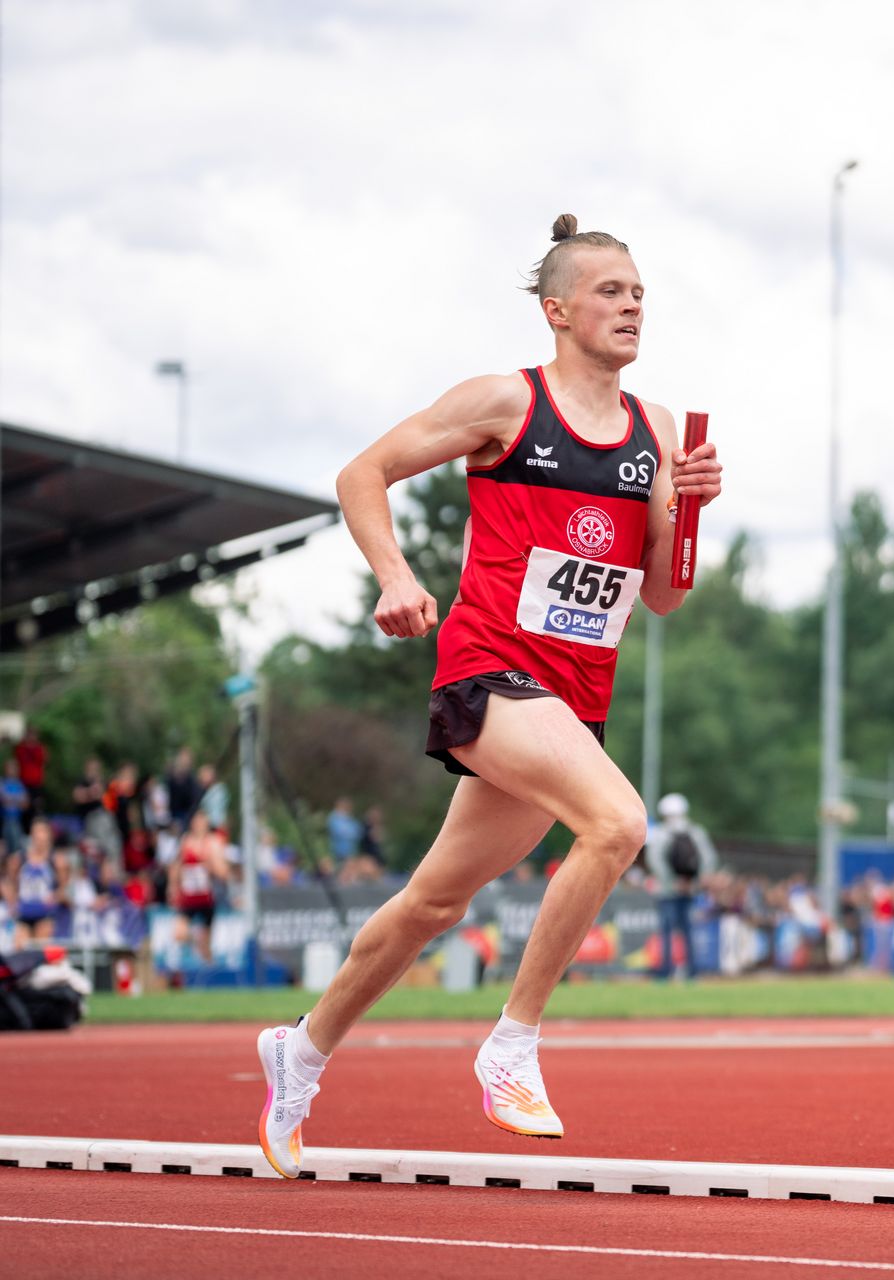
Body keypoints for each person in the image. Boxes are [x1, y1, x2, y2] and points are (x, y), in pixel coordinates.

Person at [253, 213, 722, 1180]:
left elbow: (667, 596)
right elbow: (362, 474)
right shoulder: (508, 402)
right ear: (558, 310)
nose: (632, 305)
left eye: (640, 292)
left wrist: (692, 512)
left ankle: (296, 1055)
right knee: (619, 822)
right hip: (488, 672)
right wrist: (394, 575)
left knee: (433, 902)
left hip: (571, 700)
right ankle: (512, 1042)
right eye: (610, 291)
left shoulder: (660, 432)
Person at [642, 792, 717, 980]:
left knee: (667, 932)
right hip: (690, 889)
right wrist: (695, 881)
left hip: (666, 891)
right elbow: (709, 858)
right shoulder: (696, 832)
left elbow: (655, 859)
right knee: (688, 931)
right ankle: (691, 973)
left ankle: (665, 973)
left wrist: (670, 881)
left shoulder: (660, 833)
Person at [169, 812, 229, 968]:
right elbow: (177, 866)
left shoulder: (214, 842)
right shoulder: (186, 841)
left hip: (207, 897)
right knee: (179, 934)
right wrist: (173, 887)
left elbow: (223, 872)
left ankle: (211, 978)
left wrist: (209, 864)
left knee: (207, 949)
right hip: (188, 897)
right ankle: (196, 941)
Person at [12, 725, 46, 819]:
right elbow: (18, 759)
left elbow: (42, 760)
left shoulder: (39, 748)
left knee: (36, 806)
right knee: (24, 807)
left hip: (36, 782)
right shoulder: (21, 748)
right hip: (23, 782)